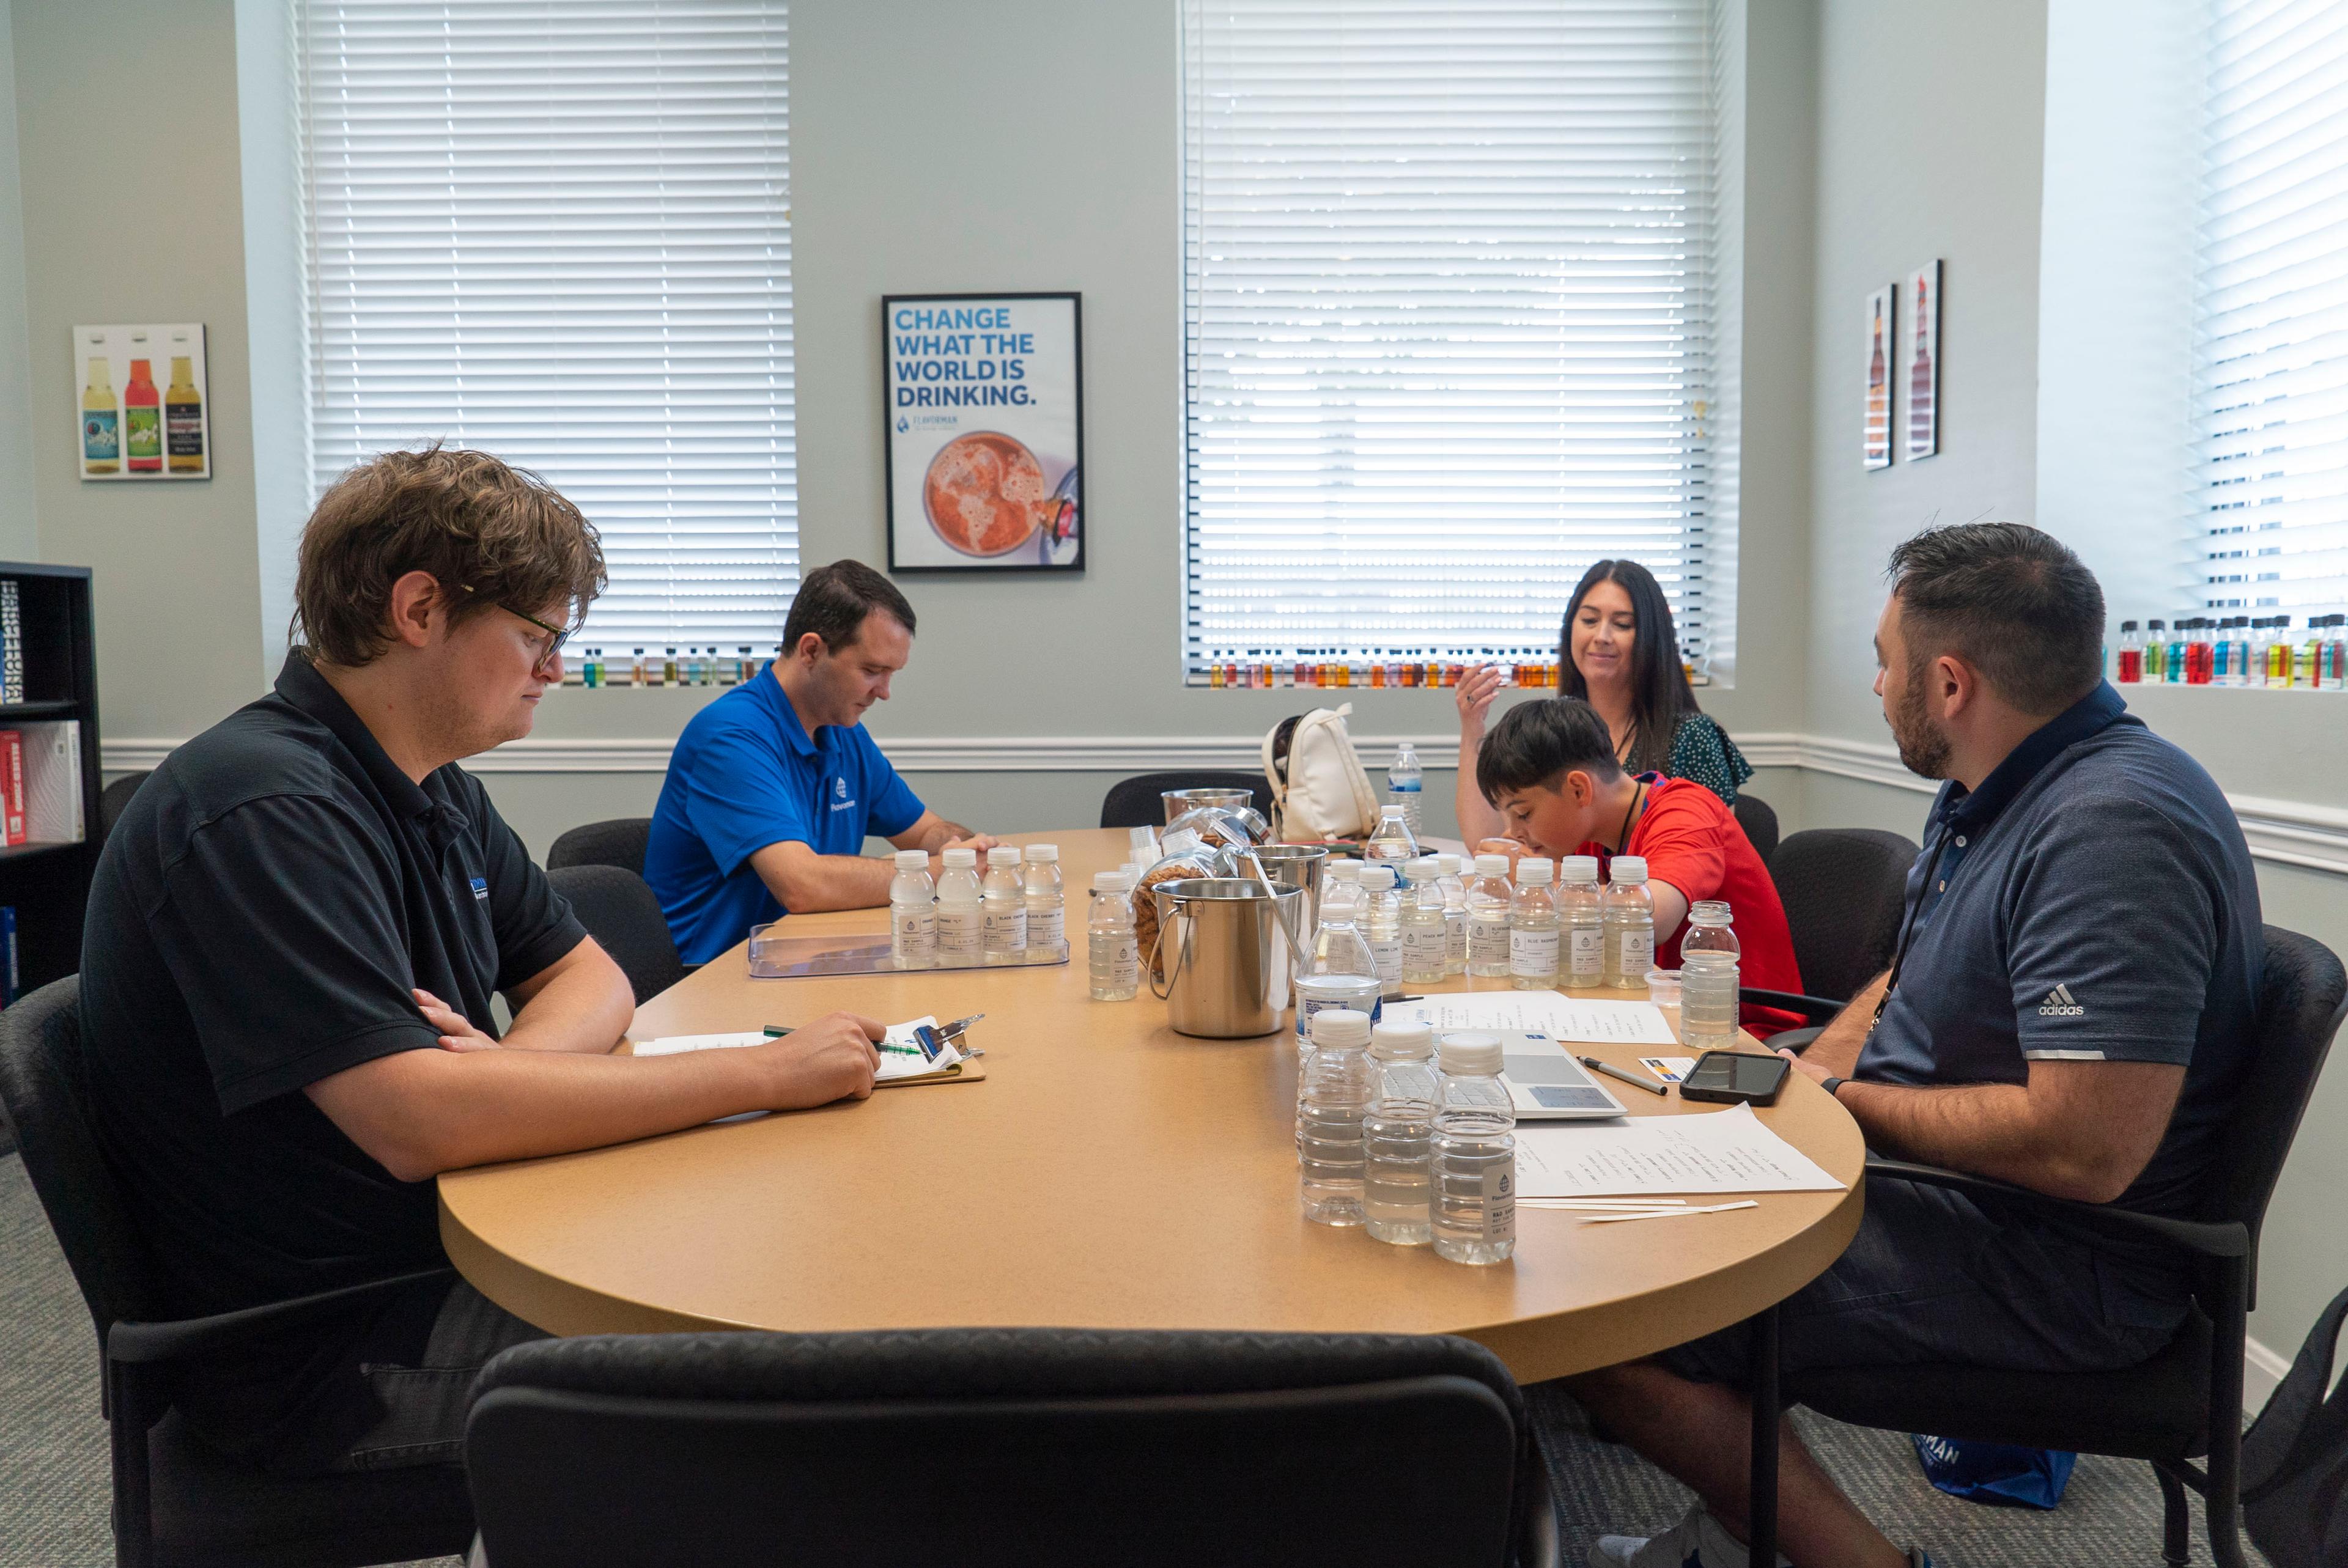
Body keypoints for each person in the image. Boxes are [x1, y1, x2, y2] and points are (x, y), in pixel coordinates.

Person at [81, 447, 890, 1478]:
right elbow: (417, 1123)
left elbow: (586, 976)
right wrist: (768, 1076)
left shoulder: (429, 784)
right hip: (342, 1353)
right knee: (804, 1392)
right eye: (536, 635)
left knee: (789, 1282)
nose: (556, 668)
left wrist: (506, 1077)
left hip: (463, 1249)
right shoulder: (262, 808)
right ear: (421, 611)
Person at [1567, 523, 2262, 1568]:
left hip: (2059, 1267)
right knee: (1632, 1182)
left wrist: (1842, 1103)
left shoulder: (2115, 831)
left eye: (1885, 662)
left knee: (1619, 1301)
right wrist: (1812, 1074)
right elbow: (1904, 974)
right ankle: (1740, 1531)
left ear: (1948, 684)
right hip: (1937, 1186)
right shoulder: (1994, 795)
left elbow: (2085, 1150)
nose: (1875, 683)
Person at [645, 559, 992, 965]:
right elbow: (802, 886)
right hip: (710, 980)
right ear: (811, 650)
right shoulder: (730, 738)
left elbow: (927, 829)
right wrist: (941, 872)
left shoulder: (842, 731)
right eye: (872, 670)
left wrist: (965, 849)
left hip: (803, 959)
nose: (884, 692)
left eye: (891, 674)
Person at [1474, 698, 1803, 1020]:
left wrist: (1533, 882)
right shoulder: (1590, 832)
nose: (1512, 833)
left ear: (1578, 790)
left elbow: (1653, 918)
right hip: (1654, 1009)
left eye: (1523, 814)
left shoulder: (1686, 814)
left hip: (1736, 1025)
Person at [1455, 558, 1751, 846]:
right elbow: (1490, 845)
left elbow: (1715, 853)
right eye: (1589, 620)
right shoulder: (1554, 730)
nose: (1602, 636)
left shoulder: (1694, 736)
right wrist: (1472, 730)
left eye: (1622, 625)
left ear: (1651, 638)